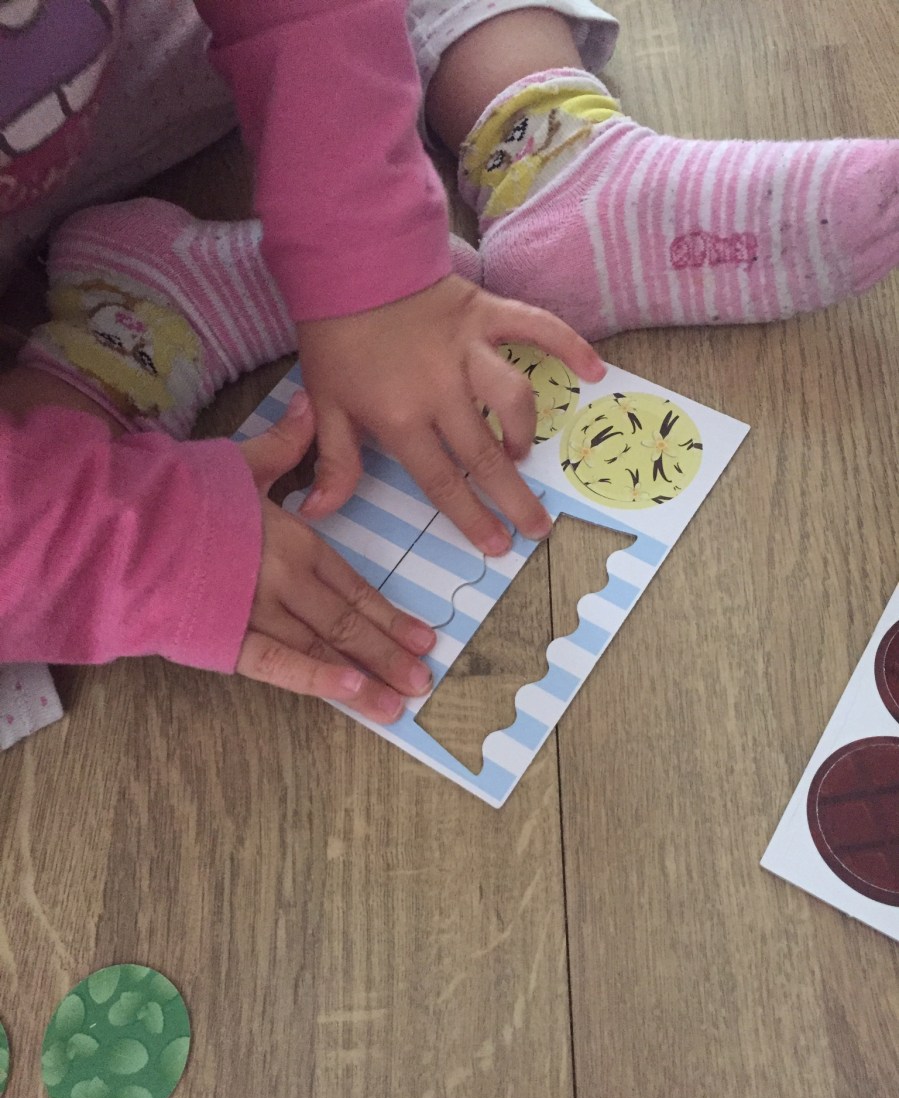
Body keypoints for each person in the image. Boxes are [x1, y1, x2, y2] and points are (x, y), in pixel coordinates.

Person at [2, 0, 897, 749]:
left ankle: (553, 155)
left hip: (119, 65)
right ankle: (125, 338)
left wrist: (367, 269)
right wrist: (133, 544)